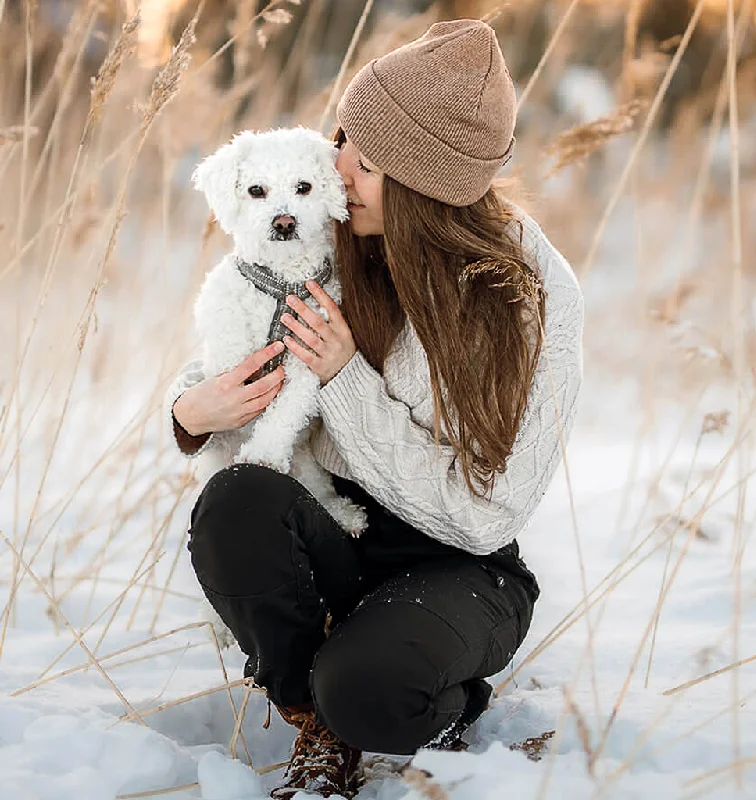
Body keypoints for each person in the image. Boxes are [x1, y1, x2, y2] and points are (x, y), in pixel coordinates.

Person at [166, 19, 584, 800]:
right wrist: (194, 407)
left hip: (461, 565)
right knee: (236, 501)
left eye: (368, 162)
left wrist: (345, 378)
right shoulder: (336, 232)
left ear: (426, 181)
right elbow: (239, 329)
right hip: (339, 533)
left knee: (370, 691)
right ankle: (312, 715)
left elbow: (486, 518)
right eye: (345, 141)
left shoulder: (531, 296)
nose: (338, 170)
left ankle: (422, 695)